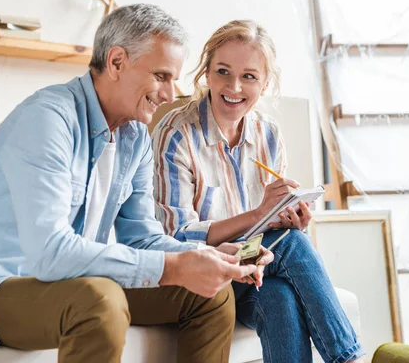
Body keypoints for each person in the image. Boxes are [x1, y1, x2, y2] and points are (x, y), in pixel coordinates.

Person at [0, 4, 258, 363]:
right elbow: (50, 255)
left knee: (208, 294)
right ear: (117, 62)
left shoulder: (135, 136)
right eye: (162, 76)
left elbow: (143, 237)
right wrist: (173, 268)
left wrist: (203, 256)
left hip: (62, 282)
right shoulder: (48, 119)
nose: (170, 94)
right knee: (99, 301)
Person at [152, 19, 366, 363]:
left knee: (279, 295)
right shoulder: (176, 134)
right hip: (199, 271)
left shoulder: (268, 134)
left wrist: (289, 217)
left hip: (252, 267)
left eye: (249, 76)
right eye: (223, 71)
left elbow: (268, 231)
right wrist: (259, 215)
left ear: (265, 84)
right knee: (293, 246)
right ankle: (349, 358)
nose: (234, 86)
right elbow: (175, 235)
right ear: (206, 74)